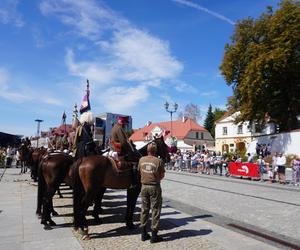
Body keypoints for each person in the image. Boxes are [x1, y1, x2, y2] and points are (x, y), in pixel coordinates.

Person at [138, 142, 165, 243]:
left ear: (147, 150)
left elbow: (139, 171)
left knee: (144, 209)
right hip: (154, 187)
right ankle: (154, 235)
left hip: (144, 186)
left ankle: (143, 233)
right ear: (155, 151)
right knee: (155, 210)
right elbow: (162, 175)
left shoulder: (141, 160)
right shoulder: (158, 161)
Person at [111, 116, 139, 186]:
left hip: (114, 148)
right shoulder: (119, 128)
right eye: (125, 123)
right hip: (118, 149)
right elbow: (123, 142)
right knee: (134, 161)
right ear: (122, 122)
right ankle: (133, 181)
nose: (125, 125)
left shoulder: (115, 127)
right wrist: (130, 150)